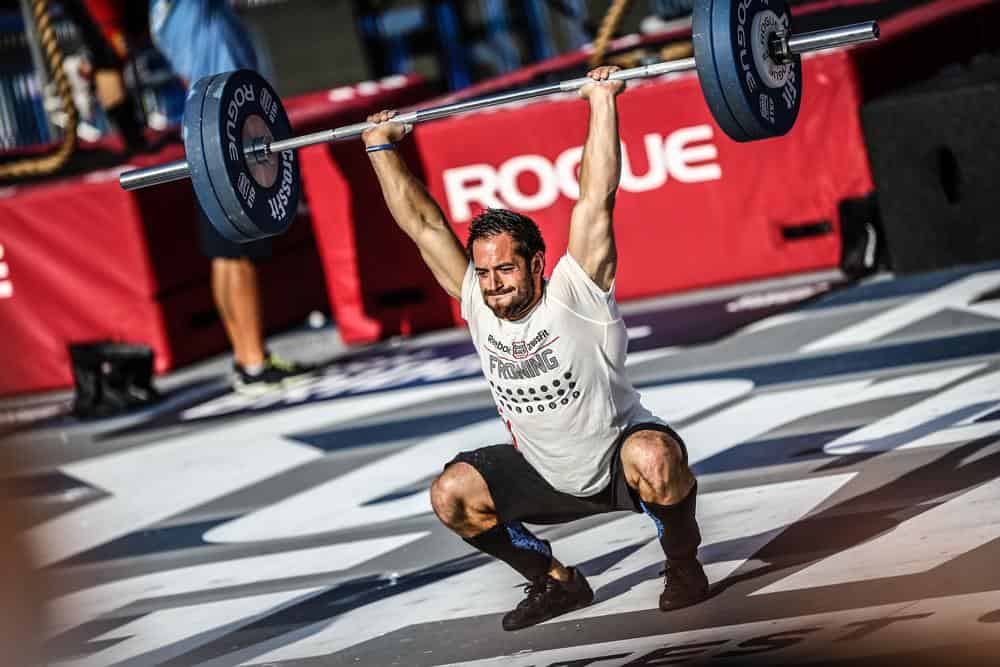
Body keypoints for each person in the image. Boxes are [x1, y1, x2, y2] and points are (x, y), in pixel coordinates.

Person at [362, 65, 709, 631]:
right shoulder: (477, 300)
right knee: (451, 495)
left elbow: (597, 196)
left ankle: (683, 565)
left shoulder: (577, 293)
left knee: (655, 458)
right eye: (485, 271)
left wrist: (602, 101)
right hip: (542, 471)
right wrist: (380, 148)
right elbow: (424, 226)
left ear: (536, 264)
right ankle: (556, 581)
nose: (494, 282)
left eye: (506, 268)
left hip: (618, 461)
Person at [149, 0, 311, 394]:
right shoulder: (186, 8)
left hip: (209, 132)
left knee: (223, 254)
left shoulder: (166, 13)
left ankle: (245, 357)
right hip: (225, 136)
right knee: (236, 251)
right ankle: (254, 363)